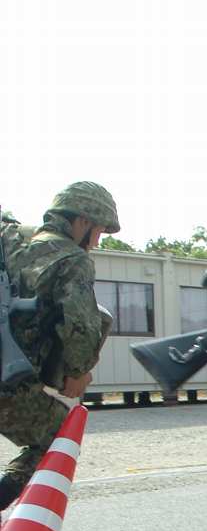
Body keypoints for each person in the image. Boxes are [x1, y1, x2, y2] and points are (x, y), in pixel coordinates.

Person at [0, 182, 117, 512]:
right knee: (56, 437)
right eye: (98, 232)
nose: (96, 241)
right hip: (8, 383)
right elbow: (79, 325)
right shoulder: (72, 259)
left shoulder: (9, 241)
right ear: (81, 222)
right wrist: (78, 372)